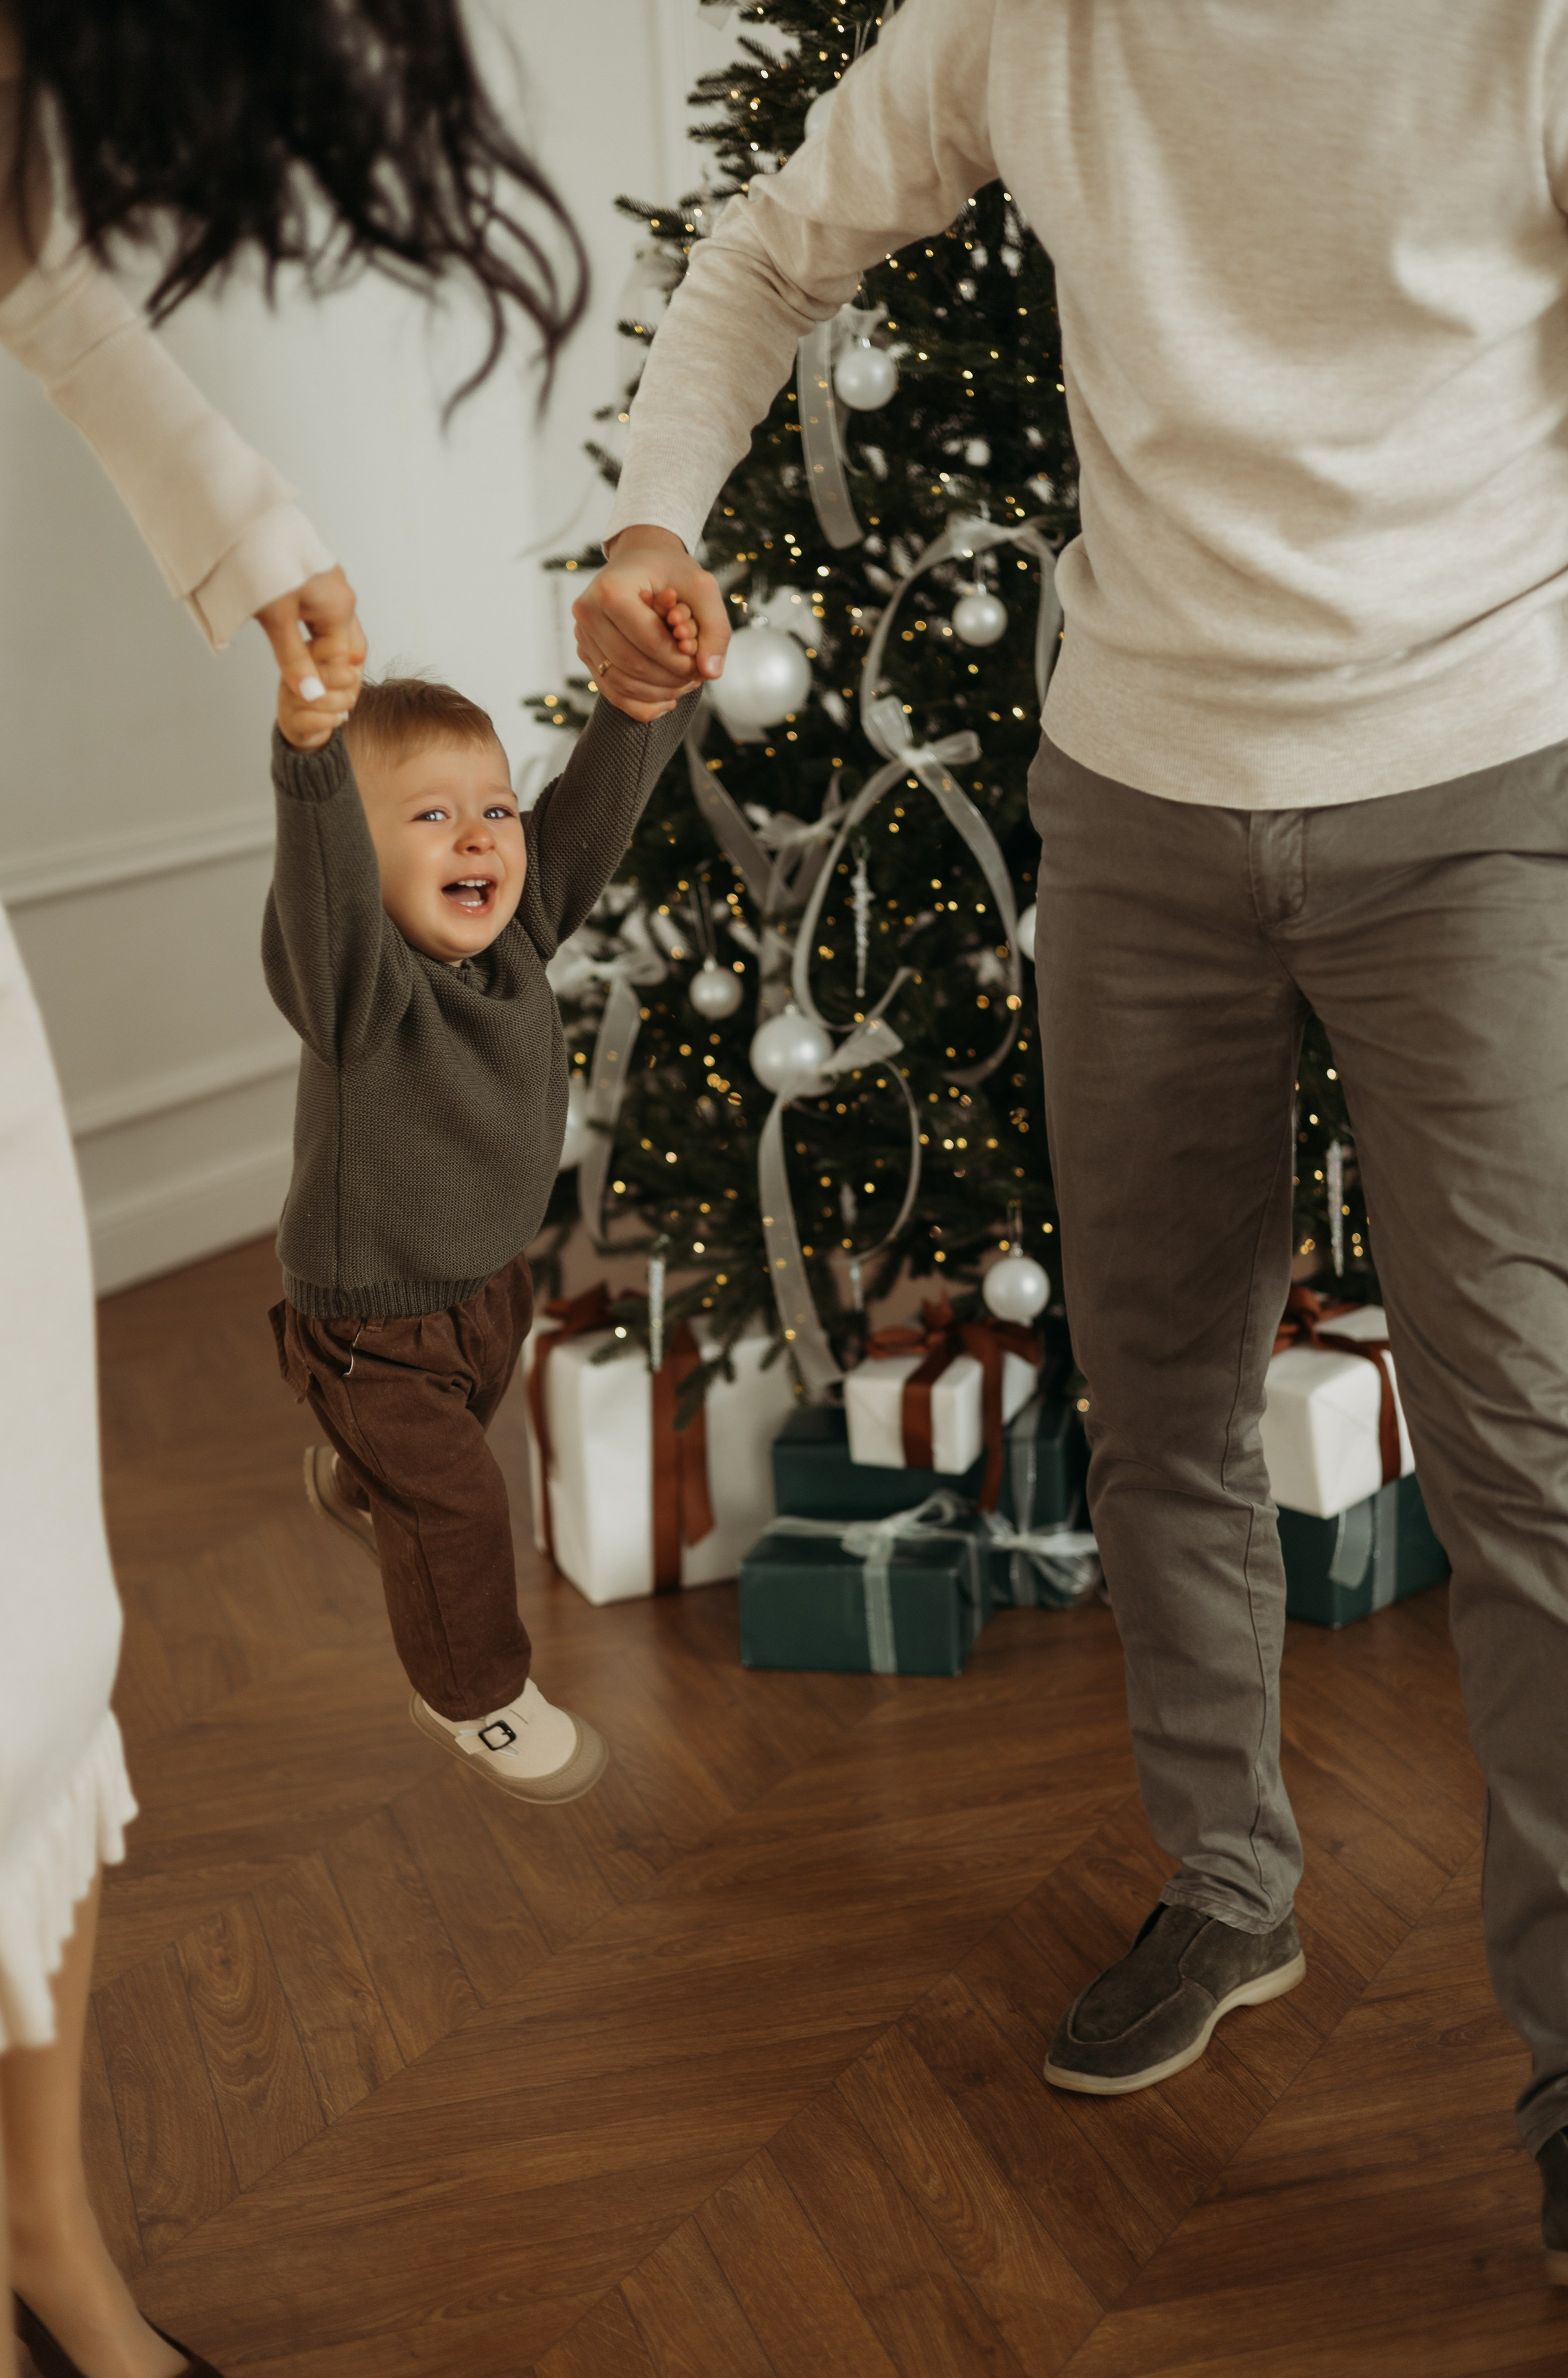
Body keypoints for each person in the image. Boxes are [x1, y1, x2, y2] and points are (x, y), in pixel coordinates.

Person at [575, 0, 1568, 2286]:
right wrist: (651, 511)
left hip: (1481, 790)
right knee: (1164, 1404)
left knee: (1526, 1453)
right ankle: (1229, 1889)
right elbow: (763, 249)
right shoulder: (1024, 15)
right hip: (1139, 804)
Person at [0, 3, 585, 2373]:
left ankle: (53, 2253)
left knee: (31, 1649)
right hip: (373, 1319)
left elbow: (22, 264)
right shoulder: (355, 929)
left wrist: (251, 531)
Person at [266, 657, 698, 1803]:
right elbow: (316, 894)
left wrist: (640, 706)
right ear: (361, 864)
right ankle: (474, 1699)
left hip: (486, 1289)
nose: (479, 840)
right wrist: (310, 771)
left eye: (494, 810)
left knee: (434, 1462)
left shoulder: (518, 935)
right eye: (433, 815)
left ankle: (364, 1483)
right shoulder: (360, 985)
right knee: (457, 1498)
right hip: (376, 1325)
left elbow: (590, 816)